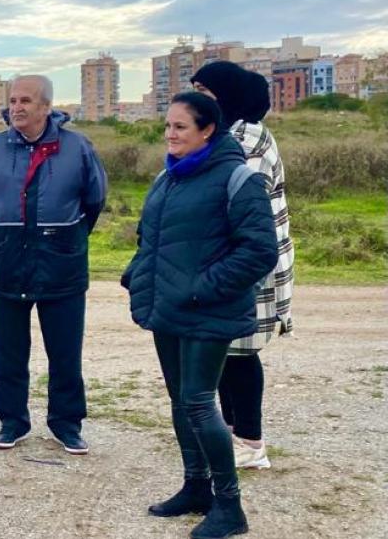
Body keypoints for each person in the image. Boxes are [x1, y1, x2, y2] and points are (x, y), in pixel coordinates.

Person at [122, 92, 278, 539]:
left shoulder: (238, 179)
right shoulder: (166, 178)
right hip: (167, 307)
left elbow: (258, 251)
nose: (169, 134)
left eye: (180, 127)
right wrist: (137, 274)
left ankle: (230, 508)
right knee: (179, 401)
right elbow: (152, 239)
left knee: (198, 401)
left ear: (207, 129)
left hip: (208, 311)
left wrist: (201, 289)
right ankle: (196, 487)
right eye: (167, 126)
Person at [0, 74, 106, 455]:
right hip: (7, 263)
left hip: (61, 264)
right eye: (13, 100)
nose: (16, 107)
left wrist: (67, 237)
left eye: (26, 101)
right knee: (7, 351)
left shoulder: (77, 147)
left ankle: (66, 424)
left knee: (65, 351)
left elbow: (94, 200)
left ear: (46, 107)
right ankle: (11, 421)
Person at [191, 61, 294, 471]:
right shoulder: (225, 134)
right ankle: (234, 433)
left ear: (228, 96)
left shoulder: (246, 137)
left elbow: (233, 202)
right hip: (232, 260)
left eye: (206, 90)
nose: (199, 97)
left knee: (240, 352)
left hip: (251, 262)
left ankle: (249, 441)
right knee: (227, 350)